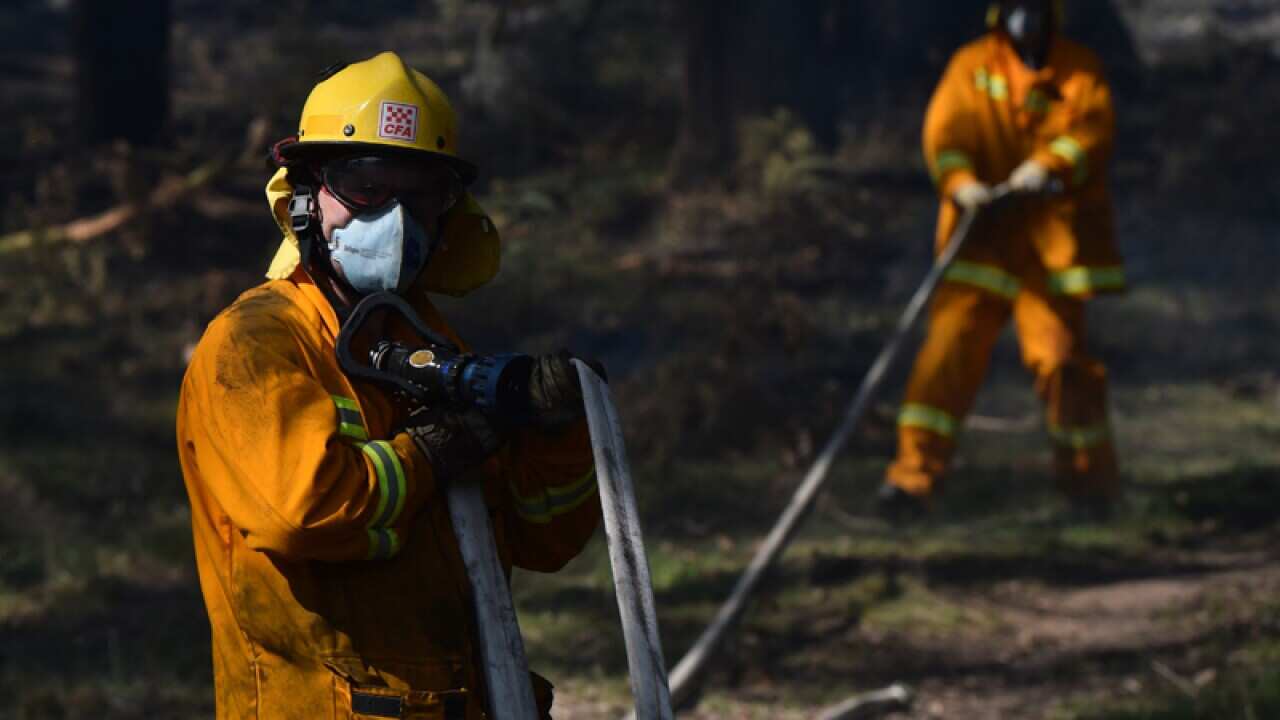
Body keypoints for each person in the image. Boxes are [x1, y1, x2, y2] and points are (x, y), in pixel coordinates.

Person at [177, 51, 601, 719]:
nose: (394, 219)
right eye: (368, 187)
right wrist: (430, 452)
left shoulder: (434, 347)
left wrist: (559, 432)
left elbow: (542, 540)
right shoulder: (256, 344)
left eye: (420, 194)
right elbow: (302, 513)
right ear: (309, 194)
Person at [879, 0, 1123, 518]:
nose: (1025, 18)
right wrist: (963, 185)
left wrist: (1047, 165)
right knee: (945, 358)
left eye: (1034, 7)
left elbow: (1093, 133)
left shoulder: (1080, 70)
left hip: (1048, 252)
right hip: (981, 245)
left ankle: (1088, 489)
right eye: (1016, 7)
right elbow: (945, 135)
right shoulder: (972, 67)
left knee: (1062, 363)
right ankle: (911, 482)